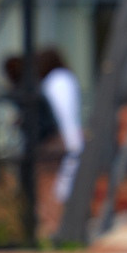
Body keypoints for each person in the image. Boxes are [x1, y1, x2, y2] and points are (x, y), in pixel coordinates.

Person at [37, 48, 83, 203]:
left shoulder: (56, 81)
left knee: (60, 185)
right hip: (70, 134)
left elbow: (62, 112)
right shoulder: (66, 78)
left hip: (62, 135)